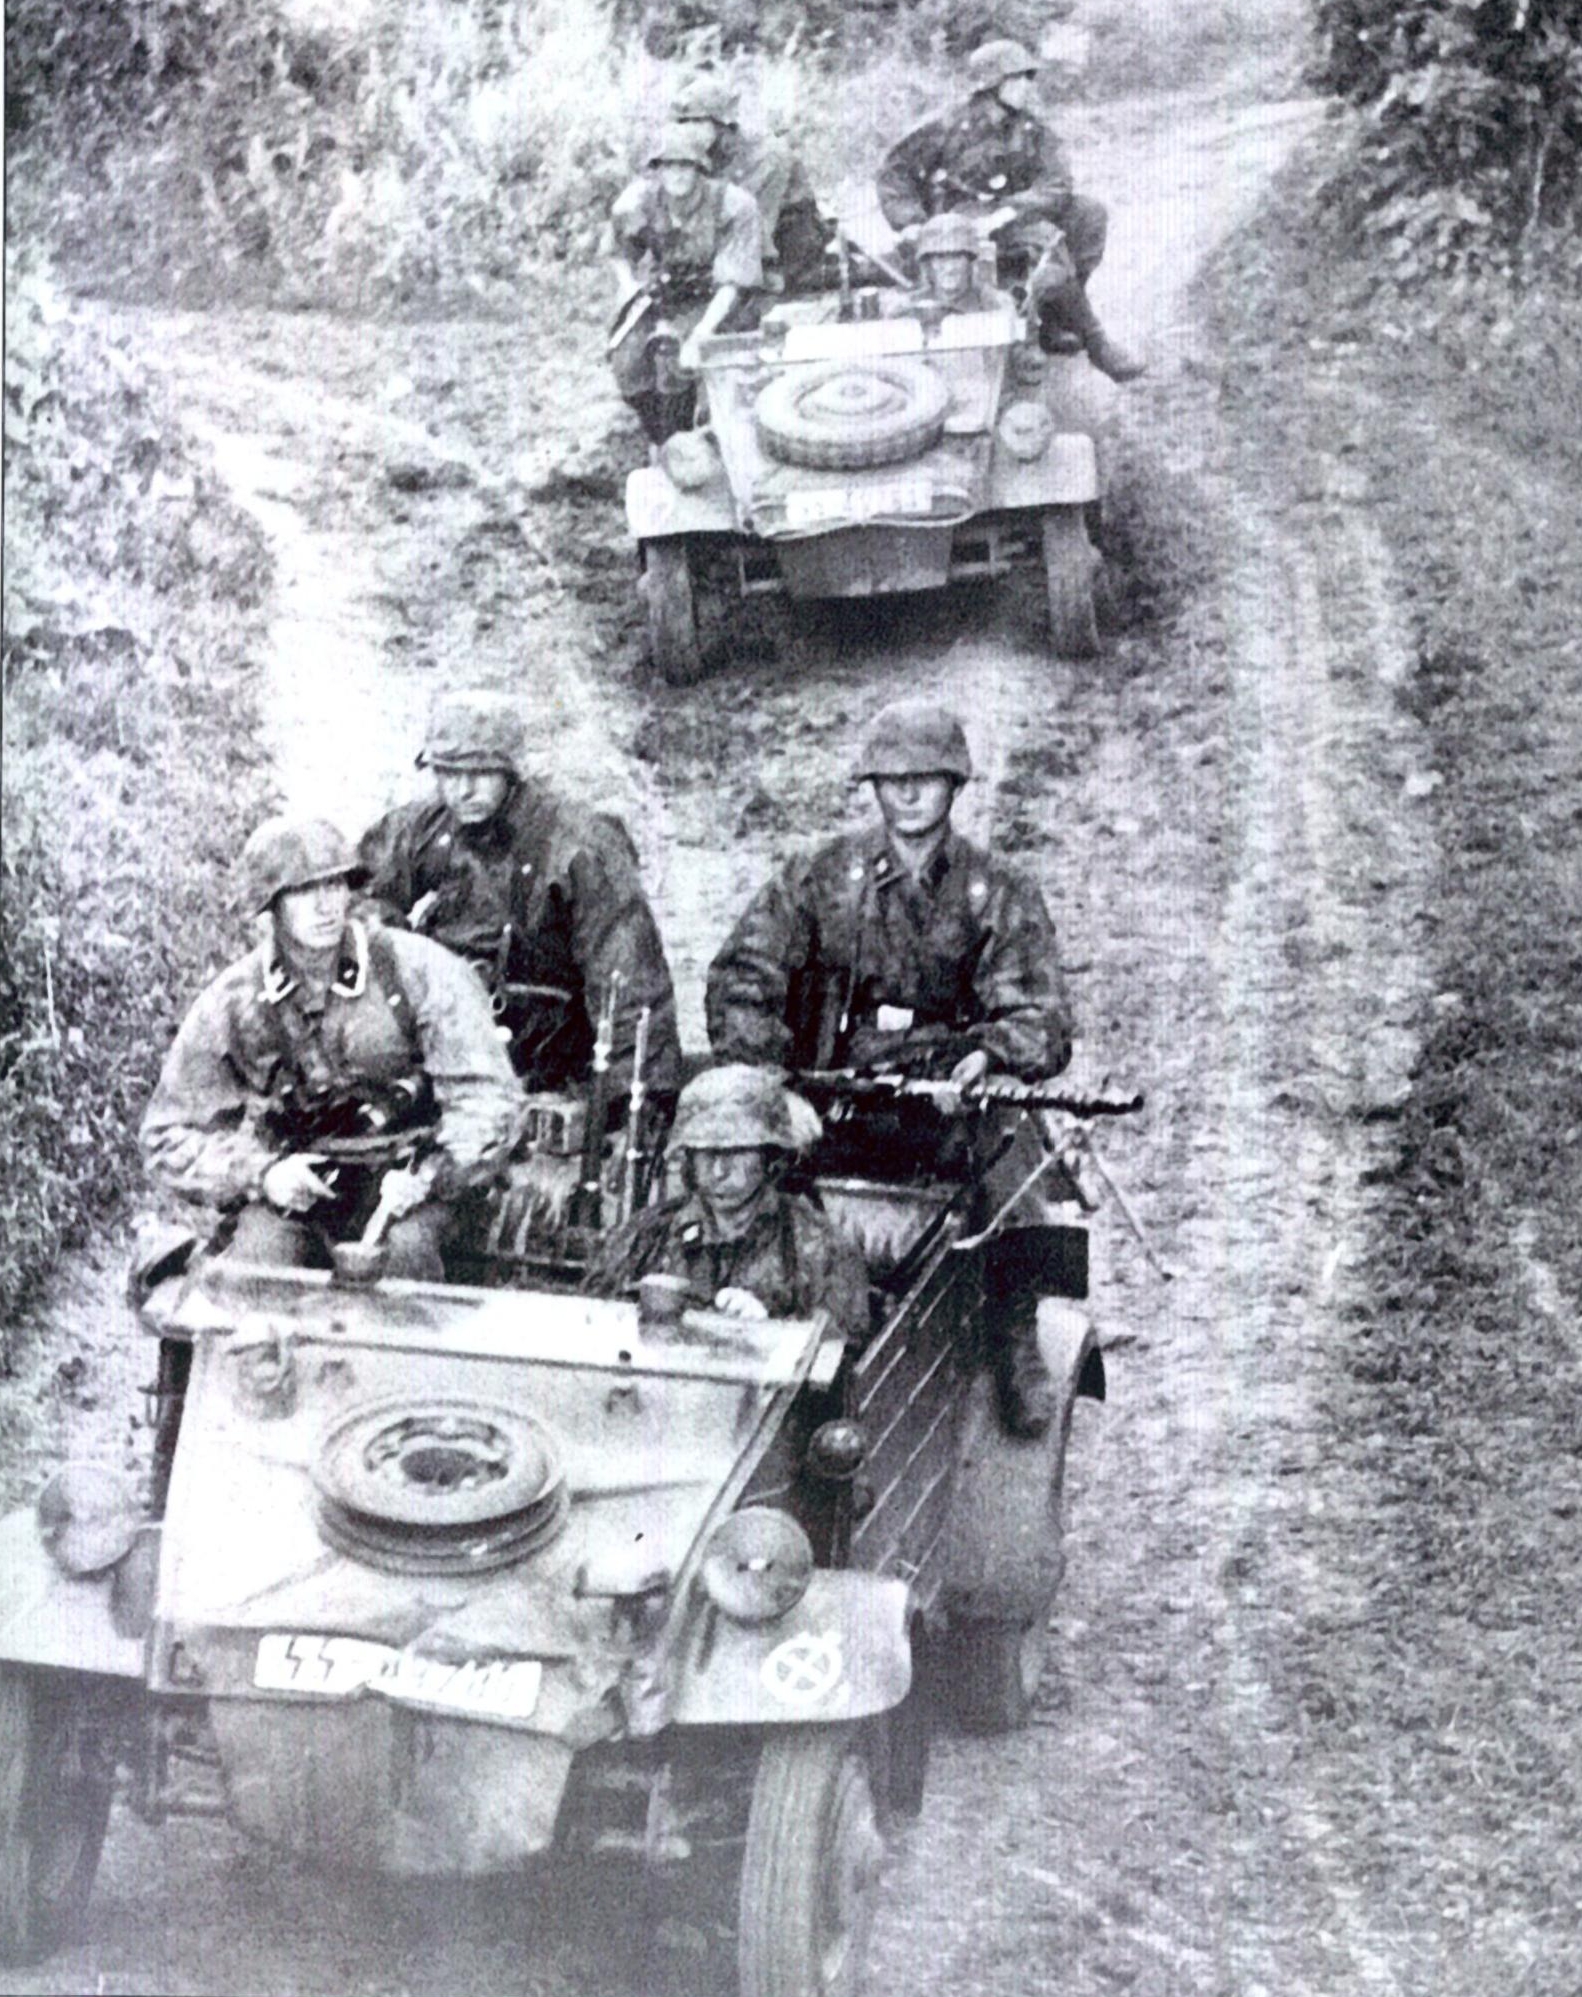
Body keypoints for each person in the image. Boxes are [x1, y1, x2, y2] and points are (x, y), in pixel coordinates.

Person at [705, 699, 1074, 1433]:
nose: (906, 793)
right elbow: (740, 980)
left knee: (1015, 1163)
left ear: (954, 783)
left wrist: (987, 1055)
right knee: (721, 1156)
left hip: (944, 1110)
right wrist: (775, 1089)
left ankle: (1015, 1330)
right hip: (826, 1102)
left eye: (924, 778)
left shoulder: (997, 891)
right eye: (891, 778)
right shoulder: (819, 877)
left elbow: (1042, 1016)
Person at [140, 815, 523, 1280]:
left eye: (335, 884)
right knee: (255, 1272)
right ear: (272, 905)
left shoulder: (419, 970)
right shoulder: (237, 1000)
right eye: (303, 891)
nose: (325, 906)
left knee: (403, 1260)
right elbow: (167, 1135)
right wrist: (262, 1174)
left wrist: (432, 1173)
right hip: (299, 1185)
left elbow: (489, 1099)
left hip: (412, 1185)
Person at [358, 691, 682, 1110]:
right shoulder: (423, 829)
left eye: (480, 773)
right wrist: (409, 960)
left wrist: (636, 1099)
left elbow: (626, 978)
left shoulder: (578, 845)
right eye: (448, 773)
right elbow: (358, 897)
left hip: (552, 1058)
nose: (462, 790)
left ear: (511, 772)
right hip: (446, 1041)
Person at [876, 38, 1144, 382]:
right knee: (1047, 241)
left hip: (1012, 215)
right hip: (961, 220)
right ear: (991, 83)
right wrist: (911, 223)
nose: (1027, 86)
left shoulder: (1030, 129)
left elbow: (1057, 183)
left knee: (1089, 214)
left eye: (1029, 77)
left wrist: (1009, 212)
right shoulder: (947, 125)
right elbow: (895, 171)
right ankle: (1097, 343)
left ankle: (1053, 317)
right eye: (1018, 78)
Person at [585, 1064, 868, 1345]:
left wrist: (772, 1331)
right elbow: (590, 1322)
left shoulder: (818, 1247)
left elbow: (842, 1351)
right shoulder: (648, 1236)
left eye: (735, 1152)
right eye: (706, 1153)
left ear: (770, 1155)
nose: (719, 1171)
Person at [606, 120, 764, 444]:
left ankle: (686, 440)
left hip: (720, 298)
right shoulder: (638, 201)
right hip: (668, 292)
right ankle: (660, 439)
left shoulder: (733, 205)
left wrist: (701, 334)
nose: (677, 174)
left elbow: (734, 281)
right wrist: (629, 286)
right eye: (669, 166)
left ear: (699, 168)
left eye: (685, 166)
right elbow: (617, 251)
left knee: (679, 363)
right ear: (658, 170)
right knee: (627, 363)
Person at [668, 71, 828, 295]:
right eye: (682, 122)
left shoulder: (767, 157)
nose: (687, 131)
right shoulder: (703, 159)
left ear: (722, 122)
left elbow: (753, 236)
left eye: (696, 121)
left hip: (788, 262)